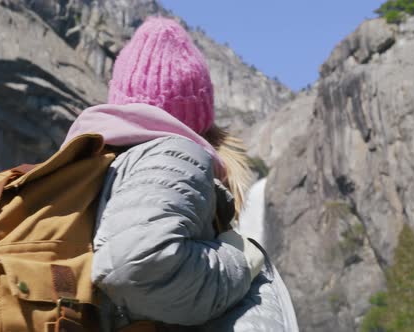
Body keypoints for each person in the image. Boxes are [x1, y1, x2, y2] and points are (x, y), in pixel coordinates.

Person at [62, 17, 299, 332]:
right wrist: (240, 262)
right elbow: (137, 267)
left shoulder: (90, 168)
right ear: (197, 112)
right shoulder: (174, 154)